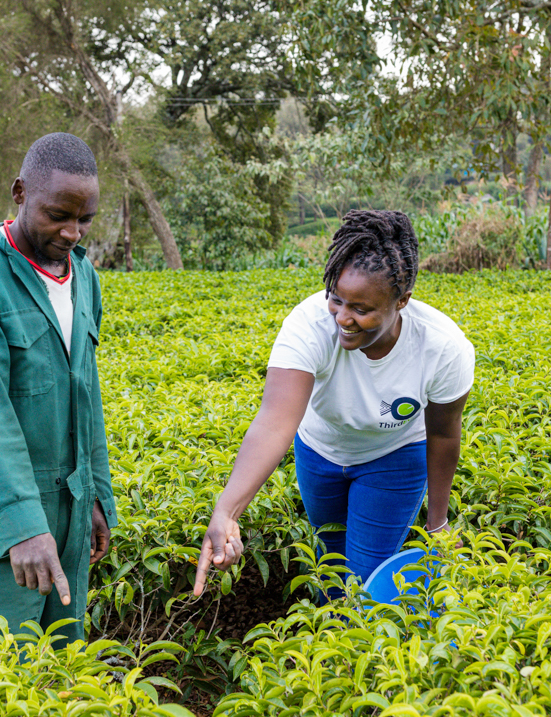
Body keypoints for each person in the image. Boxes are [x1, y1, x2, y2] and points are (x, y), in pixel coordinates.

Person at [191, 210, 474, 597]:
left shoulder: (443, 347)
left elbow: (442, 434)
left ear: (402, 301)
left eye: (361, 309)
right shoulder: (307, 325)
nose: (343, 318)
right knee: (330, 565)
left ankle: (359, 648)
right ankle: (331, 641)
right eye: (336, 300)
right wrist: (226, 511)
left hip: (393, 457)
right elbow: (275, 420)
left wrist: (438, 523)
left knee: (366, 579)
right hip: (320, 452)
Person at [0, 133, 117, 645]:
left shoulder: (84, 278)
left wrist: (97, 496)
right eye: (59, 215)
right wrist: (22, 526)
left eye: (85, 220)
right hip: (2, 517)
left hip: (73, 508)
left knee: (67, 666)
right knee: (6, 673)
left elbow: (87, 395)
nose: (73, 232)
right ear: (19, 193)